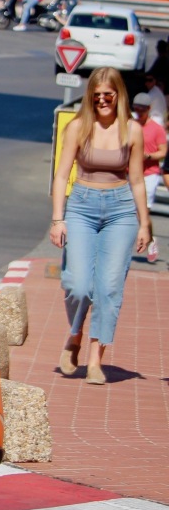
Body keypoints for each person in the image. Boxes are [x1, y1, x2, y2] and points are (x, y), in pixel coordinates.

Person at [50, 68, 153, 384]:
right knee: (78, 284)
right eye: (97, 96)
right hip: (82, 206)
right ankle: (75, 335)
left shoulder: (132, 130)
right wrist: (58, 219)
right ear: (90, 97)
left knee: (109, 287)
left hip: (121, 210)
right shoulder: (79, 127)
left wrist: (145, 223)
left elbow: (136, 179)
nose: (103, 101)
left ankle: (96, 359)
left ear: (119, 96)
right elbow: (61, 174)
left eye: (109, 96)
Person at [132, 92, 166, 262]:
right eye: (136, 108)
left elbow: (163, 151)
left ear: (149, 109)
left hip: (149, 174)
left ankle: (151, 240)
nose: (139, 112)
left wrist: (149, 156)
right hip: (131, 173)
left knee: (142, 212)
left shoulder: (157, 129)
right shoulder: (131, 125)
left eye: (142, 109)